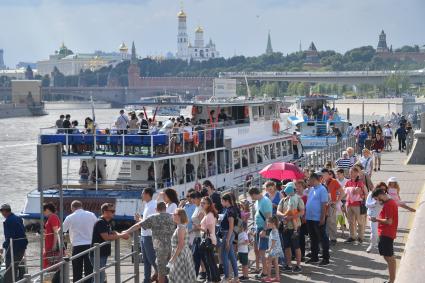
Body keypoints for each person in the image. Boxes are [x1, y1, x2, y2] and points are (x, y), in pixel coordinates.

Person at [124, 202, 175, 283]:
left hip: (160, 249)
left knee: (161, 273)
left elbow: (138, 225)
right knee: (172, 271)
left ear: (156, 209)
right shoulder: (172, 216)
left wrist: (126, 231)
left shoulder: (153, 217)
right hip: (173, 248)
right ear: (165, 208)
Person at [91, 203, 129, 283]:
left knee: (100, 276)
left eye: (114, 211)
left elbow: (111, 232)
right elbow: (106, 237)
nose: (114, 213)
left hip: (102, 253)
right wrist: (121, 235)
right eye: (112, 211)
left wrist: (119, 234)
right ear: (105, 212)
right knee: (99, 278)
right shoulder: (100, 222)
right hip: (98, 254)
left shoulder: (107, 222)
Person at [62, 201, 97, 283]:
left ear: (72, 208)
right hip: (90, 245)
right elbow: (97, 226)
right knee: (89, 269)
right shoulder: (91, 215)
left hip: (77, 246)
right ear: (81, 206)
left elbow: (61, 231)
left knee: (77, 270)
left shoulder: (70, 217)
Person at [371, 189, 398, 283]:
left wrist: (376, 219)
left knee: (389, 257)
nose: (377, 201)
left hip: (387, 233)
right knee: (388, 256)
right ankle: (392, 279)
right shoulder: (389, 202)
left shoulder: (388, 204)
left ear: (381, 195)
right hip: (387, 233)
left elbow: (389, 221)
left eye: (377, 199)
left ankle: (391, 280)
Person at [277, 182, 303, 273]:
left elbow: (302, 212)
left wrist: (292, 217)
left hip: (294, 227)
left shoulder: (298, 198)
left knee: (296, 246)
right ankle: (288, 265)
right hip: (285, 227)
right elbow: (278, 211)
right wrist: (284, 215)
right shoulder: (283, 200)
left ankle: (298, 265)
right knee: (287, 247)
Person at [305, 172, 330, 265]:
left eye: (309, 180)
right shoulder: (312, 189)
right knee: (313, 238)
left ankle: (325, 258)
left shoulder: (322, 189)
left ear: (313, 180)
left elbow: (324, 204)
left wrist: (322, 217)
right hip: (310, 218)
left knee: (322, 238)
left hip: (318, 218)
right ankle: (314, 257)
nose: (308, 181)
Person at [248, 187, 272, 279]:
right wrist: (255, 228)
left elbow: (268, 218)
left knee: (262, 251)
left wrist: (265, 230)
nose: (251, 198)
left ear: (254, 194)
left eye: (251, 196)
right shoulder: (257, 201)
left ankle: (264, 272)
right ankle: (261, 269)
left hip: (263, 228)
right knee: (258, 250)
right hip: (258, 228)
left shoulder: (265, 201)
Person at [168, 208, 197, 283]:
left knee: (180, 278)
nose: (173, 215)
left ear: (179, 216)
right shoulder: (181, 226)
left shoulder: (181, 228)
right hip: (182, 254)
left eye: (174, 214)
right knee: (183, 276)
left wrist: (173, 258)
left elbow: (181, 245)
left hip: (180, 255)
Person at [1, 203, 28, 282]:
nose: (2, 213)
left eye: (2, 211)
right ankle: (23, 280)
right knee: (17, 266)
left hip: (14, 249)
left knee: (9, 271)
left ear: (5, 211)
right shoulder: (18, 218)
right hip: (22, 247)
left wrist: (3, 246)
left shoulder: (8, 221)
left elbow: (10, 237)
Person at [137, 188, 158, 283]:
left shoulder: (153, 205)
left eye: (142, 193)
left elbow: (151, 223)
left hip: (149, 236)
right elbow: (146, 221)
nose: (141, 195)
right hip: (143, 235)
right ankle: (146, 279)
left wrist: (140, 220)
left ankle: (163, 277)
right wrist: (140, 219)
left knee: (152, 259)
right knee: (145, 260)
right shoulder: (148, 205)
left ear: (147, 194)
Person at [344, 167, 368, 244]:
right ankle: (352, 236)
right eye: (350, 172)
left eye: (353, 172)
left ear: (357, 173)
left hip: (358, 205)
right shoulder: (348, 182)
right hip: (349, 204)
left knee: (360, 222)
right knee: (351, 222)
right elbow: (344, 192)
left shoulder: (360, 182)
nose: (351, 174)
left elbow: (366, 193)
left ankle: (360, 237)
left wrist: (365, 201)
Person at [200, 196, 220, 283]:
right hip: (210, 239)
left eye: (203, 203)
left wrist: (198, 227)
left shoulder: (209, 215)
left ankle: (213, 279)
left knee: (210, 261)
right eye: (201, 202)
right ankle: (215, 278)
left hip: (209, 240)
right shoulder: (208, 214)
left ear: (208, 204)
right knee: (210, 260)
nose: (202, 204)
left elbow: (208, 230)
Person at [220, 193, 239, 282]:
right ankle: (235, 276)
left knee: (224, 256)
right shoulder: (231, 209)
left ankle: (227, 277)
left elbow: (231, 226)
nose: (221, 202)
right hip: (229, 234)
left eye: (222, 201)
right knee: (231, 256)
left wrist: (227, 240)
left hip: (227, 234)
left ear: (226, 201)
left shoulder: (230, 211)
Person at [321, 168, 344, 245]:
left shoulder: (333, 181)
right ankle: (327, 237)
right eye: (322, 175)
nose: (323, 177)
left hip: (331, 204)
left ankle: (333, 238)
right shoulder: (322, 182)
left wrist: (337, 201)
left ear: (328, 175)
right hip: (324, 204)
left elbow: (342, 192)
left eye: (324, 175)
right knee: (326, 221)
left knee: (332, 221)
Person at [188, 192, 205, 277]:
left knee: (197, 256)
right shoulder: (197, 207)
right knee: (196, 256)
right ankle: (200, 274)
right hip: (196, 235)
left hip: (200, 235)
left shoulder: (201, 208)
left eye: (193, 198)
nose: (192, 200)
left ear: (198, 198)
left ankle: (200, 274)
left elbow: (201, 224)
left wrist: (189, 231)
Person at [263, 216, 283, 283]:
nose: (267, 224)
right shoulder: (275, 230)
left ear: (273, 223)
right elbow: (272, 239)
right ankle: (277, 277)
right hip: (277, 250)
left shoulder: (274, 231)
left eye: (268, 223)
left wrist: (269, 249)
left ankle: (268, 277)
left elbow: (273, 241)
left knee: (269, 263)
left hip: (273, 250)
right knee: (276, 263)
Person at [365, 184, 385, 253]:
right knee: (374, 232)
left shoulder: (385, 196)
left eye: (383, 190)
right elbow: (367, 204)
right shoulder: (371, 194)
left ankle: (381, 245)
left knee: (381, 233)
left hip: (382, 217)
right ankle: (372, 245)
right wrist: (375, 203)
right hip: (372, 217)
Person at [42, 203, 61, 268]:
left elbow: (56, 232)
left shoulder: (53, 217)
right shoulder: (51, 217)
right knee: (49, 263)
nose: (43, 213)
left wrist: (54, 245)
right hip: (48, 244)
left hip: (51, 245)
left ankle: (52, 277)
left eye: (43, 211)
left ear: (47, 209)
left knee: (51, 264)